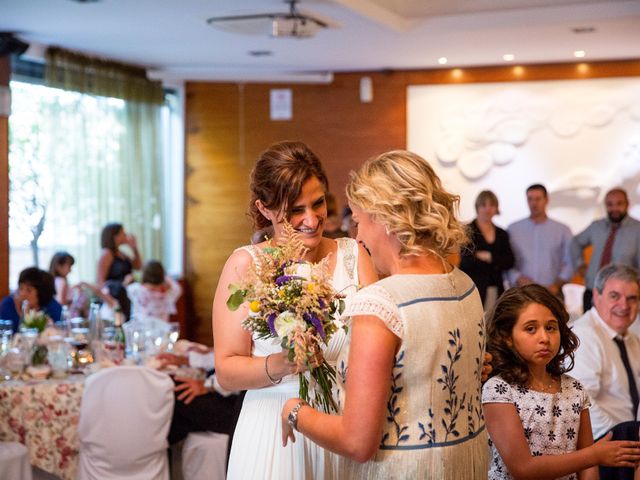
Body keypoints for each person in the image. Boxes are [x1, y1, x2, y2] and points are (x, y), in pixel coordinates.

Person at [280, 150, 488, 478]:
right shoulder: (465, 285)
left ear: (385, 218)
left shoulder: (380, 304)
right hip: (466, 464)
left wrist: (295, 412)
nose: (358, 236)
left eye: (359, 221)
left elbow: (358, 441)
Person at [212, 141, 378, 480]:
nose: (311, 220)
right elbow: (226, 371)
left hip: (345, 424)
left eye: (317, 204)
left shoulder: (354, 256)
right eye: (294, 210)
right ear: (266, 209)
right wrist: (284, 362)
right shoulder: (246, 264)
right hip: (272, 431)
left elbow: (381, 343)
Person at [482, 283, 640, 479]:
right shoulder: (499, 390)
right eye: (531, 329)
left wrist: (591, 458)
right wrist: (594, 455)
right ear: (507, 337)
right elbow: (523, 468)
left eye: (551, 328)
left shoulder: (574, 389)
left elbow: (588, 469)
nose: (544, 338)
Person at [570, 265, 640, 449]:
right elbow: (582, 402)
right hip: (605, 447)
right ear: (596, 296)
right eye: (614, 296)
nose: (624, 306)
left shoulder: (632, 340)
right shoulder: (583, 336)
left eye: (632, 298)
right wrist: (621, 441)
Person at [571, 188, 640, 313]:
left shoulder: (637, 230)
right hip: (593, 290)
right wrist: (580, 264)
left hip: (621, 296)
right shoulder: (596, 226)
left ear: (627, 204)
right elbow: (575, 242)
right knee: (589, 330)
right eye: (610, 204)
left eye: (619, 204)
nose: (614, 208)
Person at [507, 184, 573, 295]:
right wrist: (517, 277)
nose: (534, 203)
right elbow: (506, 261)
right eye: (530, 199)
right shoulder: (513, 229)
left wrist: (557, 284)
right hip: (521, 292)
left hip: (552, 292)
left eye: (538, 199)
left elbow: (570, 261)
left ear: (546, 200)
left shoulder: (562, 230)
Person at [460, 190, 515, 310]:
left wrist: (489, 256)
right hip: (473, 288)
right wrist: (496, 260)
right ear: (477, 207)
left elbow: (509, 261)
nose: (488, 209)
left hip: (497, 287)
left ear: (496, 208)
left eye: (492, 205)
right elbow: (465, 262)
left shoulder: (502, 233)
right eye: (484, 205)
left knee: (493, 323)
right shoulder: (467, 231)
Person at [97, 222, 142, 320]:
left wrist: (134, 248)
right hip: (115, 299)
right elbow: (100, 282)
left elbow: (138, 266)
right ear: (114, 236)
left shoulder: (120, 253)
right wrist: (111, 301)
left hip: (126, 297)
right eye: (123, 233)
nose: (126, 235)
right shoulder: (106, 254)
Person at [49, 251, 115, 317]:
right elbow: (60, 301)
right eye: (68, 266)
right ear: (59, 266)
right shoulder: (61, 281)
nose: (70, 270)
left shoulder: (56, 281)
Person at [0, 267, 62, 332]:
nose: (22, 294)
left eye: (29, 290)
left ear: (41, 293)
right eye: (21, 288)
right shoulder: (8, 304)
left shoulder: (51, 306)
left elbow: (58, 333)